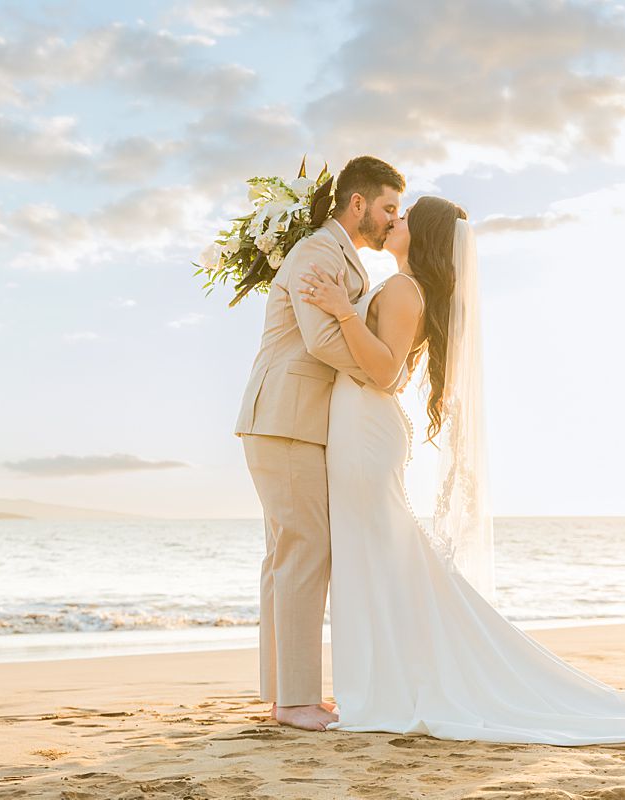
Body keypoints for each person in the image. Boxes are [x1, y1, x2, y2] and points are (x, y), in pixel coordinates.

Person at [299, 196, 625, 745]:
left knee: (373, 559)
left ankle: (380, 688)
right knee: (377, 560)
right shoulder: (405, 288)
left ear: (421, 234)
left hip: (366, 432)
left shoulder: (402, 289)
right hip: (362, 433)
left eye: (404, 217)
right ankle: (382, 685)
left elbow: (384, 372)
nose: (393, 221)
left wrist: (341, 310)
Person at [233, 155, 405, 731]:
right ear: (357, 203)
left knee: (287, 553)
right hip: (286, 418)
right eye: (386, 208)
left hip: (293, 419)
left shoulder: (339, 257)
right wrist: (381, 377)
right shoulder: (316, 252)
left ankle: (283, 693)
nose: (390, 219)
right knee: (306, 549)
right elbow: (323, 339)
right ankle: (296, 700)